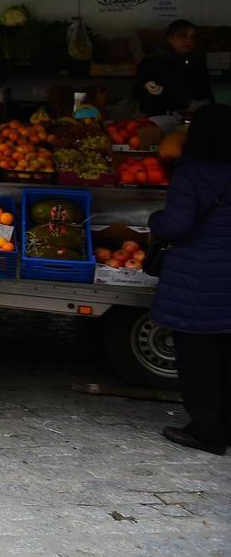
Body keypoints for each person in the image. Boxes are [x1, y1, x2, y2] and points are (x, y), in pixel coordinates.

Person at [149, 102, 231, 456]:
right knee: (226, 355)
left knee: (197, 358)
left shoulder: (192, 173)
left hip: (197, 279)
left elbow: (178, 225)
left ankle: (206, 430)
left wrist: (155, 221)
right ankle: (226, 425)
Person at [134, 19, 214, 117]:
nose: (188, 41)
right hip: (159, 117)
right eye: (183, 36)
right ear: (169, 38)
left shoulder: (197, 62)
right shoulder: (151, 63)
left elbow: (205, 92)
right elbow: (138, 91)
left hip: (193, 117)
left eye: (192, 37)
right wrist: (146, 86)